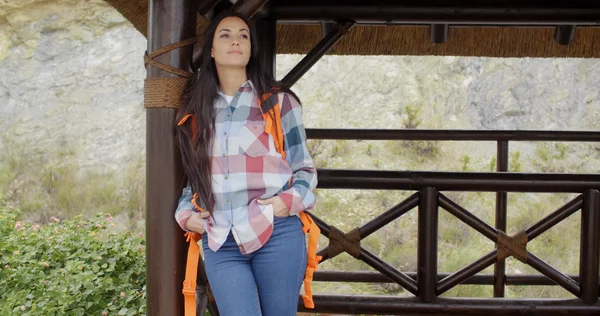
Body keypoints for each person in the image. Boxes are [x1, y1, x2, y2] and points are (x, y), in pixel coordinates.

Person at [173, 10, 318, 316]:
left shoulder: (278, 102)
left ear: (251, 49)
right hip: (220, 239)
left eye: (243, 35)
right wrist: (186, 215)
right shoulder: (195, 110)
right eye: (225, 35)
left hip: (276, 232)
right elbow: (194, 179)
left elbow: (304, 170)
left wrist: (282, 204)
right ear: (211, 50)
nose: (235, 41)